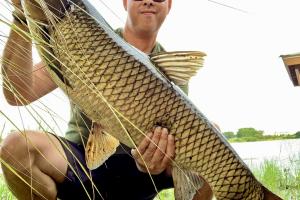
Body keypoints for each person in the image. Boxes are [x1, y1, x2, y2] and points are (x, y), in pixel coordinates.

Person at [0, 0, 213, 199]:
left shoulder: (173, 72)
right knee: (16, 146)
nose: (148, 1)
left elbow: (175, 145)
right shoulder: (83, 37)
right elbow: (18, 93)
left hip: (143, 171)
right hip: (81, 161)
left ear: (169, 5)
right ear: (125, 2)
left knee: (211, 149)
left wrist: (158, 159)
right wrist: (23, 15)